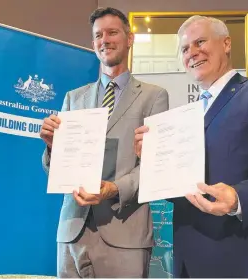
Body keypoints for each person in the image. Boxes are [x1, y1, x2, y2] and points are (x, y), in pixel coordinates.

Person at [134, 15, 248, 278]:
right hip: (190, 259)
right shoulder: (186, 116)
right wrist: (153, 162)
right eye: (185, 49)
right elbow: (185, 189)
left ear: (227, 44)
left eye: (200, 42)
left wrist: (239, 198)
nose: (192, 53)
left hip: (247, 258)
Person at [39, 7, 169, 278]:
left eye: (112, 32)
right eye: (98, 35)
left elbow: (155, 167)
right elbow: (57, 171)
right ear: (93, 43)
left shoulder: (154, 97)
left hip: (125, 234)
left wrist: (113, 188)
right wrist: (53, 148)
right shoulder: (73, 98)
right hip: (72, 232)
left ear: (129, 39)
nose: (105, 40)